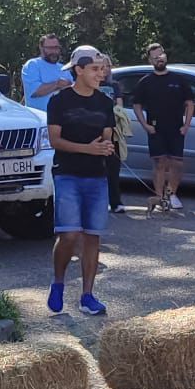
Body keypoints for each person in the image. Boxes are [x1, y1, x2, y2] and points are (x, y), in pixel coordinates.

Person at [45, 46, 115, 315]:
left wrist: (107, 147)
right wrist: (88, 148)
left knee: (92, 236)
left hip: (97, 176)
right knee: (69, 234)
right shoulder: (59, 101)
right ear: (79, 70)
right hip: (67, 174)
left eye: (102, 68)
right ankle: (59, 282)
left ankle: (87, 295)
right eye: (95, 69)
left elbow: (107, 137)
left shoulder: (105, 102)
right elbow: (55, 140)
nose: (101, 73)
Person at [131, 43, 194, 213]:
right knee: (160, 163)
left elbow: (190, 103)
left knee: (177, 164)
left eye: (161, 55)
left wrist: (186, 125)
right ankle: (159, 198)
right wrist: (145, 125)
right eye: (155, 57)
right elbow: (136, 105)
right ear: (150, 60)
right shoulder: (145, 82)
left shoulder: (178, 80)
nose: (159, 59)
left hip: (176, 129)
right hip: (156, 129)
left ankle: (171, 194)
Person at [97, 54, 128, 215]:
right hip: (94, 132)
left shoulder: (114, 85)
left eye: (108, 65)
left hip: (112, 131)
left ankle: (116, 202)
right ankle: (98, 202)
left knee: (113, 169)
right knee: (96, 170)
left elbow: (119, 107)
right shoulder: (91, 85)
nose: (106, 69)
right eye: (102, 65)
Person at [21, 33, 71, 113]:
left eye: (56, 48)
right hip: (41, 120)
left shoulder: (64, 68)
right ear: (41, 48)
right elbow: (35, 91)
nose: (54, 51)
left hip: (64, 118)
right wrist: (57, 84)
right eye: (50, 48)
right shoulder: (32, 65)